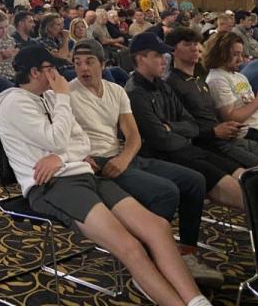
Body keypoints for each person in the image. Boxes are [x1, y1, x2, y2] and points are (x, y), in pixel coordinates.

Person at [0, 46, 216, 306]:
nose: (58, 74)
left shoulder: (51, 98)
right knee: (130, 247)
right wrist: (64, 103)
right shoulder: (15, 102)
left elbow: (82, 143)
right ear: (35, 72)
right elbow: (55, 139)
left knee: (158, 227)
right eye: (51, 69)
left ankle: (197, 300)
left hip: (83, 173)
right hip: (52, 186)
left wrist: (62, 157)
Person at [68, 38, 223, 287]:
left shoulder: (116, 90)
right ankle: (148, 263)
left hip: (123, 156)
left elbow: (133, 136)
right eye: (77, 63)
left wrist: (124, 158)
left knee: (194, 181)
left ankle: (185, 253)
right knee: (166, 192)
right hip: (97, 163)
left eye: (89, 62)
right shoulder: (68, 93)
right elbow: (62, 137)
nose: (83, 68)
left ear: (103, 63)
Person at [126, 32, 245, 210]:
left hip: (187, 148)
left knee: (244, 178)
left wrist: (171, 127)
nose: (164, 60)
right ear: (141, 58)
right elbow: (160, 138)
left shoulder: (162, 85)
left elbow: (192, 124)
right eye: (158, 55)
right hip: (167, 155)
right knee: (239, 193)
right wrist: (181, 132)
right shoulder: (135, 92)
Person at [195, 31, 258, 157]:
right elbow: (231, 118)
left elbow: (251, 112)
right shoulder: (217, 78)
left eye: (241, 54)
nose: (241, 60)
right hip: (249, 134)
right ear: (220, 54)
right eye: (235, 54)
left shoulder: (240, 77)